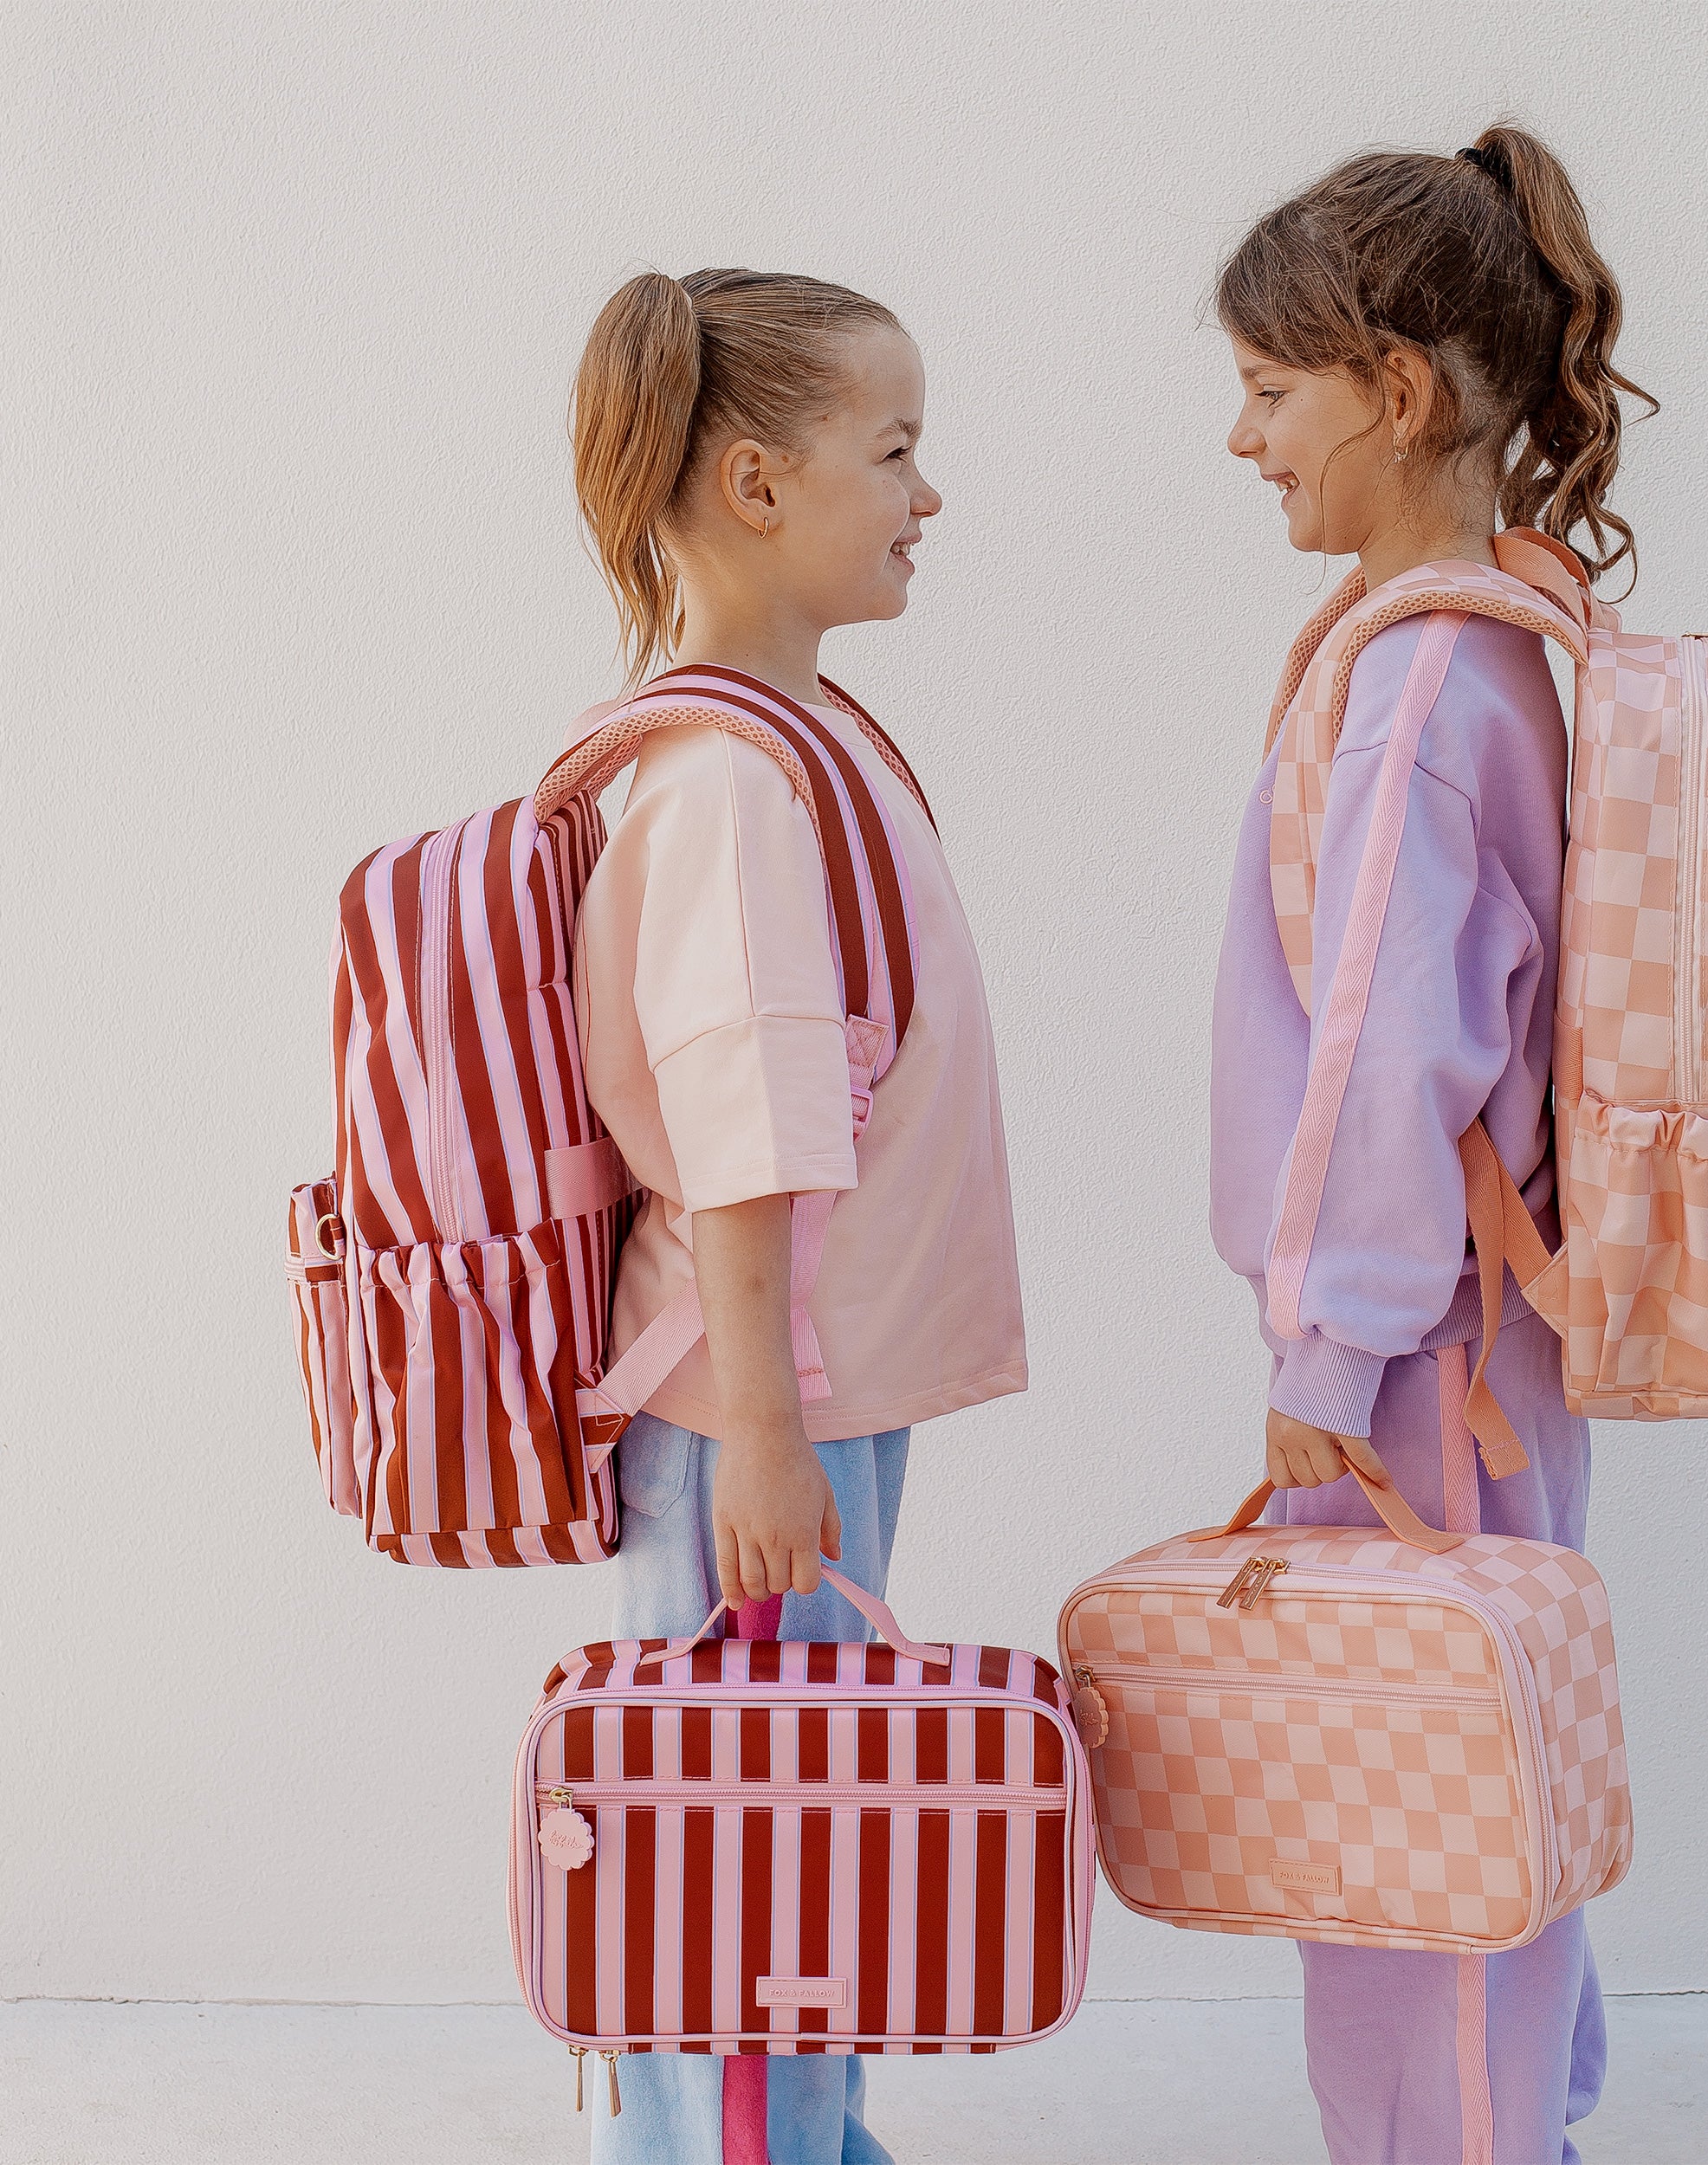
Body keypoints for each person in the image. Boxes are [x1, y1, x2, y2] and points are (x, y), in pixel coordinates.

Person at [1208, 127, 1653, 2164]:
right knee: (1491, 1757)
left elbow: (1385, 1053)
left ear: (1393, 391)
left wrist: (1323, 1349)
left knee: (1403, 1812)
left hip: (1413, 1348)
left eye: (1270, 388)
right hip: (1497, 1326)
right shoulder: (1514, 629)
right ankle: (1520, 2127)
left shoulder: (1409, 684)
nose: (1243, 438)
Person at [568, 267, 1027, 2165]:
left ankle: (804, 2140)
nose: (928, 494)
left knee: (796, 1827)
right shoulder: (734, 777)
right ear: (756, 485)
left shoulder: (789, 737)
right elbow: (745, 1127)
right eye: (894, 449)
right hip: (760, 1405)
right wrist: (761, 1426)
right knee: (741, 1853)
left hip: (808, 1393)